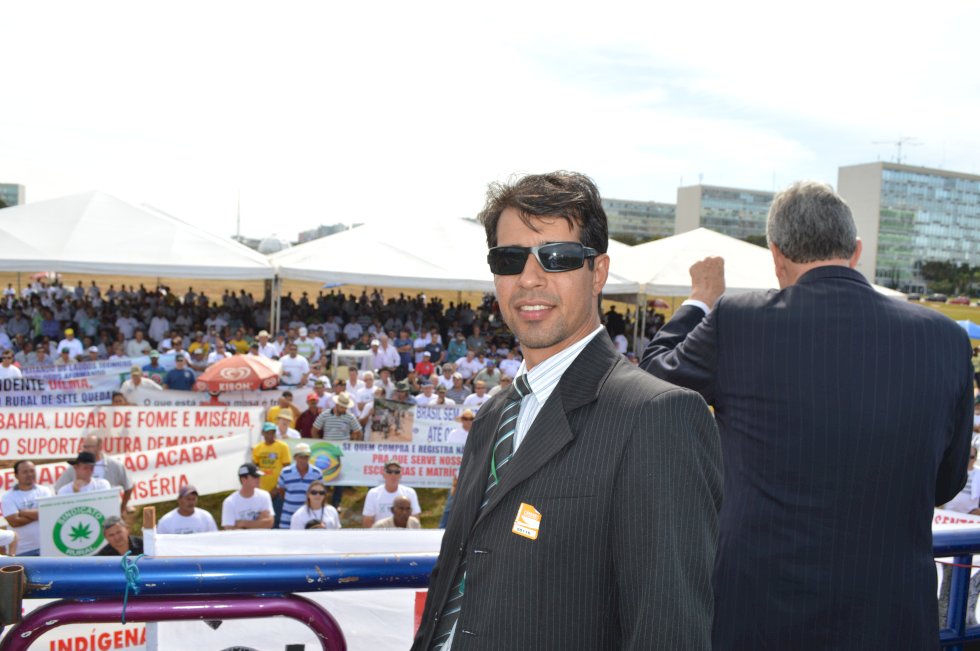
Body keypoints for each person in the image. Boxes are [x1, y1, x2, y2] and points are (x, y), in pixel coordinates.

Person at [640, 180, 973, 650]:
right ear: (856, 251)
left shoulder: (739, 319)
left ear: (776, 255)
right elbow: (946, 484)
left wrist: (701, 297)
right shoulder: (945, 338)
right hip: (892, 615)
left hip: (762, 613)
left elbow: (653, 380)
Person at [413, 171, 721, 651]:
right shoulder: (493, 416)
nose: (529, 278)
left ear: (598, 273)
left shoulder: (657, 416)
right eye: (510, 259)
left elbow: (668, 628)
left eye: (557, 257)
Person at [55, 435, 136, 513]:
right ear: (76, 468)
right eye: (84, 446)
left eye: (88, 447)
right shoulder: (72, 470)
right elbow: (58, 491)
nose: (85, 449)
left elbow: (129, 485)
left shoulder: (113, 466)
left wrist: (122, 508)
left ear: (99, 447)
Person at [1, 460, 54, 556]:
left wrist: (23, 512)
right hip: (22, 551)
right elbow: (14, 522)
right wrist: (40, 514)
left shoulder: (45, 491)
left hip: (46, 548)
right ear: (16, 475)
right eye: (25, 472)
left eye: (32, 471)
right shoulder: (8, 497)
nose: (29, 474)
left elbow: (49, 513)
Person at [362, 460, 421, 528]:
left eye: (397, 472)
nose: (393, 475)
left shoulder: (410, 493)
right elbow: (368, 520)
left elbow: (414, 519)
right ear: (383, 474)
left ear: (400, 475)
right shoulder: (373, 493)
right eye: (389, 472)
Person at [277, 443, 324, 529]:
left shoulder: (317, 473)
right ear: (295, 458)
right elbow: (281, 491)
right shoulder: (285, 472)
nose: (303, 460)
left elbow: (320, 492)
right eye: (301, 457)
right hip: (288, 515)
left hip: (310, 515)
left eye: (306, 457)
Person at [252, 423, 291, 527]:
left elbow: (287, 469)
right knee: (262, 519)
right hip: (262, 491)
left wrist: (277, 488)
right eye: (267, 433)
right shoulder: (257, 448)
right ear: (263, 433)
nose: (270, 435)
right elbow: (255, 468)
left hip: (278, 491)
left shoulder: (283, 446)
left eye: (272, 433)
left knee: (277, 520)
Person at [222, 463, 275, 529]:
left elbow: (269, 523)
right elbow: (229, 528)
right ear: (244, 479)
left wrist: (243, 523)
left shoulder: (264, 496)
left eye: (259, 476)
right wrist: (259, 522)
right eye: (255, 477)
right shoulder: (229, 502)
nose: (259, 479)